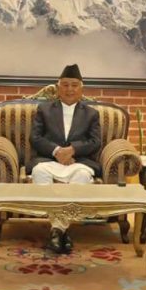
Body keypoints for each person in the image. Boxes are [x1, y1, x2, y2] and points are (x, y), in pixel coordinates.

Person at [28, 64, 101, 254]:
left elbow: (95, 142)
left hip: (78, 163)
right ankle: (62, 231)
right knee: (39, 172)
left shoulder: (91, 113)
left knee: (82, 176)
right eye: (65, 85)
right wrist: (57, 151)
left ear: (81, 89)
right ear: (58, 88)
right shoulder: (44, 109)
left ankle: (57, 230)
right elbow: (35, 138)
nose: (70, 89)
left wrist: (72, 150)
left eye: (74, 85)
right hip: (49, 161)